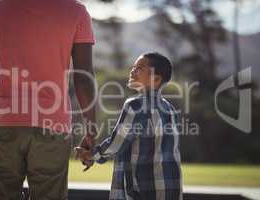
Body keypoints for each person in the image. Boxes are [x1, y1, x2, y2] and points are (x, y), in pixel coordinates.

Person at [0, 0, 97, 199]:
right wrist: (90, 129)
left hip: (6, 123)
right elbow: (83, 77)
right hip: (53, 125)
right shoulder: (76, 11)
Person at [76, 52, 183, 200]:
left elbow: (117, 143)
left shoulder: (135, 105)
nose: (132, 70)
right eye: (133, 67)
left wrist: (92, 155)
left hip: (142, 189)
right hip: (170, 187)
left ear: (156, 79)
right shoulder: (169, 108)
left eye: (139, 68)